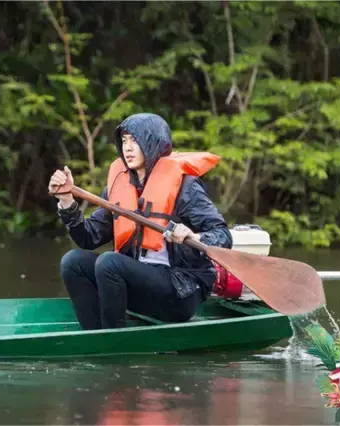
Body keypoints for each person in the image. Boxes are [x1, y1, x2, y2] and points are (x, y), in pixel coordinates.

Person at [48, 113, 232, 330]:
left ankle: (113, 338)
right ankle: (95, 335)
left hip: (180, 290)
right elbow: (89, 237)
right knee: (72, 262)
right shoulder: (119, 185)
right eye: (124, 141)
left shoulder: (186, 187)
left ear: (153, 143)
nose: (127, 148)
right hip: (138, 284)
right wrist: (67, 202)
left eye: (135, 140)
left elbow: (223, 235)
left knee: (109, 262)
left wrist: (193, 236)